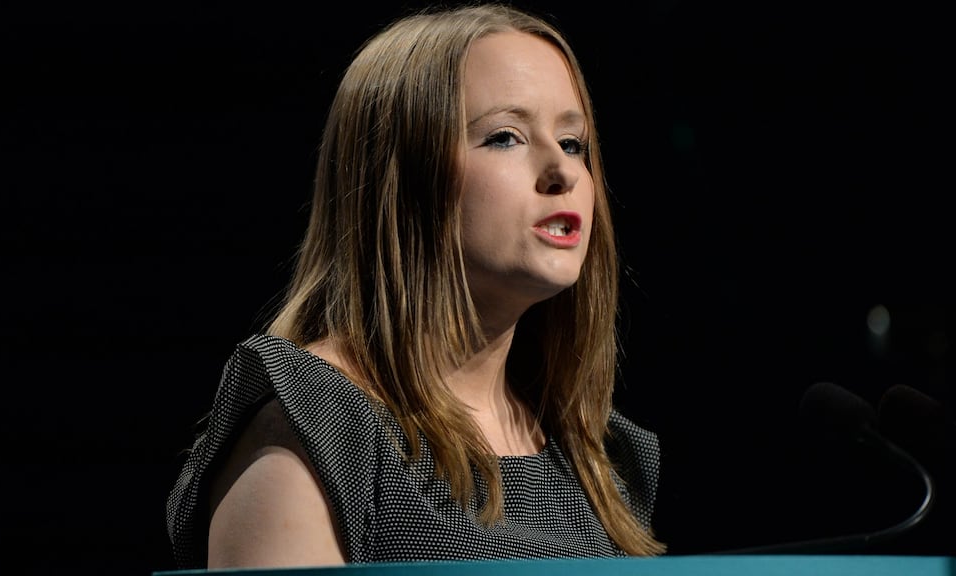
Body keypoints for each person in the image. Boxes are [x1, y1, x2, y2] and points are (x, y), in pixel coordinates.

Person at [166, 2, 667, 569]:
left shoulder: (600, 455)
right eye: (505, 137)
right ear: (401, 179)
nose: (564, 171)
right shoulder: (317, 424)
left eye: (574, 143)